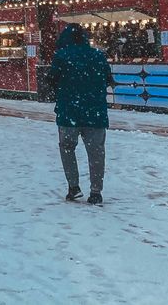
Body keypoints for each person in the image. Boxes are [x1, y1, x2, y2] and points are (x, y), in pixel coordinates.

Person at [46, 24, 113, 205]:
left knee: (67, 148)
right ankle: (96, 191)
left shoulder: (61, 56)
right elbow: (109, 79)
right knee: (96, 152)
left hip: (69, 112)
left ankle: (73, 187)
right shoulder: (98, 55)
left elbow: (51, 80)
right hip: (95, 113)